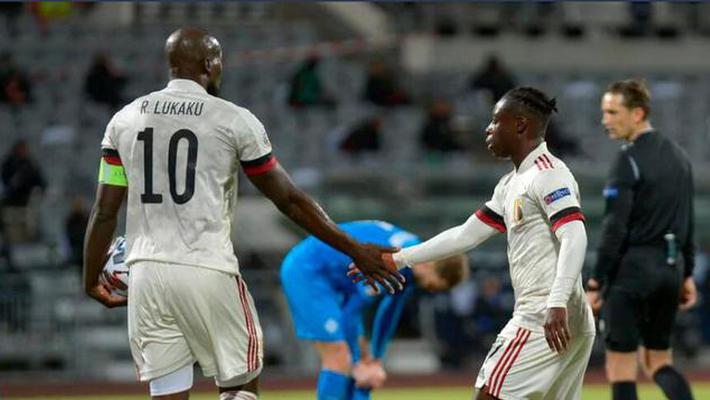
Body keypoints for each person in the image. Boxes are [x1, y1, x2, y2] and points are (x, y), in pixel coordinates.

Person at [82, 27, 404, 400]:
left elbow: (104, 212)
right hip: (206, 267)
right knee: (240, 383)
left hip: (145, 274)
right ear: (209, 63)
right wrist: (354, 249)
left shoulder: (124, 119)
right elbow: (289, 200)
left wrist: (90, 279)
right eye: (219, 60)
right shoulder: (233, 119)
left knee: (168, 392)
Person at [352, 87, 595, 399]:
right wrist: (397, 259)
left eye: (496, 121)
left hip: (544, 313)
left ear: (520, 124)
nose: (488, 129)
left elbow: (574, 235)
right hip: (560, 315)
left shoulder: (548, 175)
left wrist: (556, 301)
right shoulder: (511, 184)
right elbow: (465, 235)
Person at [587, 79, 696, 400]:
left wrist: (596, 281)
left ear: (637, 113)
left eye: (612, 112)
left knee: (620, 367)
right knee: (658, 361)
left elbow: (614, 227)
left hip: (632, 272)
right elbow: (687, 222)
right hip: (670, 269)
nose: (605, 120)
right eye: (604, 112)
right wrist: (686, 274)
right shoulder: (680, 157)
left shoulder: (628, 160)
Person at [281, 220, 468, 400]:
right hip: (309, 271)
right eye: (432, 285)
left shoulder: (413, 255)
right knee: (339, 355)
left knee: (359, 364)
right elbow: (351, 313)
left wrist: (375, 358)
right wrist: (364, 360)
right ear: (429, 266)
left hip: (338, 280)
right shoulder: (393, 261)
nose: (429, 289)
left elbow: (390, 310)